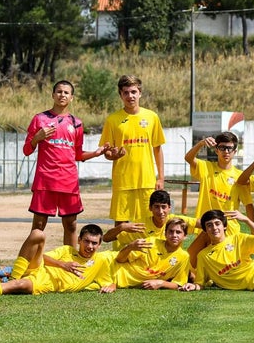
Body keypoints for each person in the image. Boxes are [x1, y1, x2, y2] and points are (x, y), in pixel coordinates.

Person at [21, 80, 108, 247]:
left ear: (72, 98)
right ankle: (29, 265)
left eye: (66, 92)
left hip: (68, 181)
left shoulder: (77, 123)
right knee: (38, 227)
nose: (62, 95)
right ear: (53, 95)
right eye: (59, 92)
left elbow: (77, 154)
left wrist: (95, 153)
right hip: (45, 180)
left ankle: (70, 265)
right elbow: (26, 150)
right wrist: (37, 138)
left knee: (71, 225)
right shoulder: (40, 119)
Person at [0, 224, 116, 297]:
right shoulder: (68, 250)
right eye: (86, 241)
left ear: (100, 245)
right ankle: (14, 275)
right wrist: (63, 264)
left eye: (94, 243)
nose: (90, 246)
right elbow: (44, 256)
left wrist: (112, 287)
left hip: (46, 284)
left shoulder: (100, 261)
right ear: (79, 240)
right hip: (39, 268)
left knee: (18, 286)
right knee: (38, 233)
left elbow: (110, 282)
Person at [100, 75, 166, 228]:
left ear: (140, 93)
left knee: (149, 221)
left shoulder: (152, 117)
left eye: (133, 92)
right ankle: (120, 251)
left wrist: (161, 178)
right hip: (123, 181)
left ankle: (147, 252)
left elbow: (157, 149)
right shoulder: (112, 120)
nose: (130, 96)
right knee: (121, 223)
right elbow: (107, 152)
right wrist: (114, 155)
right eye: (126, 93)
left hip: (147, 180)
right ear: (120, 95)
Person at [185, 132, 252, 232]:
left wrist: (253, 230)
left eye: (229, 148)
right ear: (216, 150)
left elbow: (248, 204)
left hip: (229, 230)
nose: (226, 151)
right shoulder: (206, 167)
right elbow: (188, 158)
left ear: (235, 151)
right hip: (206, 226)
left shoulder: (240, 177)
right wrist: (201, 144)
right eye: (222, 148)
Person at [113, 218, 192, 290]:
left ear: (184, 236)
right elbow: (120, 259)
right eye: (171, 231)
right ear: (165, 234)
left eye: (178, 232)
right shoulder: (151, 242)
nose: (174, 235)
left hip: (121, 283)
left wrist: (161, 283)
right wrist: (130, 247)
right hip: (115, 273)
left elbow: (179, 283)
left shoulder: (184, 256)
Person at [102, 190, 198, 246]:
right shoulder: (140, 226)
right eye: (156, 207)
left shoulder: (177, 221)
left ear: (169, 207)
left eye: (163, 207)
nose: (160, 212)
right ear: (150, 208)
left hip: (171, 264)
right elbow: (106, 238)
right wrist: (121, 227)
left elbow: (203, 223)